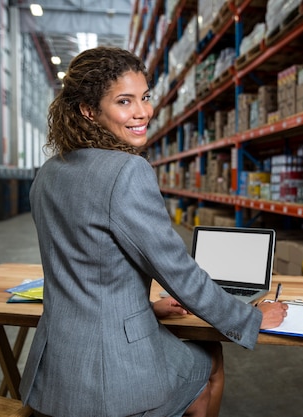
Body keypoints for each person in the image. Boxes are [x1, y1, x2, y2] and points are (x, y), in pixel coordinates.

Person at [19, 46, 288, 417]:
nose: (142, 112)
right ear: (88, 110)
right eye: (124, 102)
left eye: (144, 97)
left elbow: (88, 268)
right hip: (109, 377)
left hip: (53, 371)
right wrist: (254, 319)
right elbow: (179, 273)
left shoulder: (48, 173)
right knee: (209, 360)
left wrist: (145, 308)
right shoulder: (126, 172)